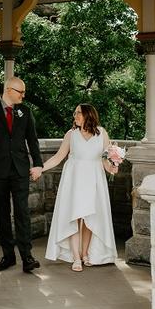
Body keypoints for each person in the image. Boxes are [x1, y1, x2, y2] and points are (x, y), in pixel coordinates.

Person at [0, 76, 43, 273]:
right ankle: (8, 256)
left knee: (23, 213)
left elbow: (33, 140)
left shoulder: (25, 111)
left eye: (23, 92)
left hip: (20, 170)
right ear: (8, 90)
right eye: (20, 92)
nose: (23, 95)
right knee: (2, 214)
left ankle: (27, 257)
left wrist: (38, 164)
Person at [43, 103, 117, 272]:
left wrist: (113, 167)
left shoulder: (102, 133)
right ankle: (76, 257)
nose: (75, 116)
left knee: (90, 218)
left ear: (88, 115)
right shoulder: (71, 134)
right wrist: (41, 167)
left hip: (94, 179)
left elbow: (106, 160)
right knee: (75, 218)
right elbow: (58, 157)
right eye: (75, 113)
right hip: (74, 180)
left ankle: (85, 254)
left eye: (78, 113)